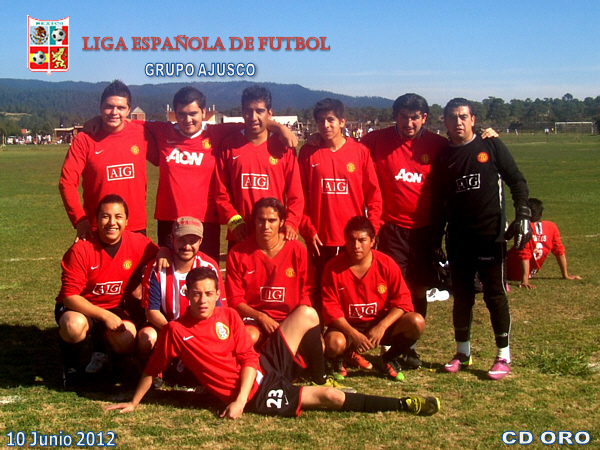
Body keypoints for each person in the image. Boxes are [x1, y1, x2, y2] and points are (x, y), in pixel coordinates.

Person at [106, 267, 440, 418]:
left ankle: (318, 374)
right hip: (257, 393)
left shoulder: (228, 316)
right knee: (332, 398)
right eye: (196, 294)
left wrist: (237, 401)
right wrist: (134, 402)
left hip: (261, 369)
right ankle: (404, 404)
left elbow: (249, 359)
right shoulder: (177, 331)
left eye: (209, 293)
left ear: (217, 293)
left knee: (307, 313)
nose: (203, 300)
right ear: (186, 294)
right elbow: (152, 369)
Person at [430, 98, 531, 381]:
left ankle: (503, 355)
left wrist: (523, 214)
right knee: (462, 297)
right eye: (452, 117)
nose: (458, 122)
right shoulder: (443, 157)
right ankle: (462, 352)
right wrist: (436, 238)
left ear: (473, 120)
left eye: (463, 116)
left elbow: (517, 180)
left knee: (494, 295)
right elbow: (439, 203)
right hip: (459, 239)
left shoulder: (491, 145)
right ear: (445, 121)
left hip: (490, 236)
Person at [142, 86, 298, 261]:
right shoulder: (163, 131)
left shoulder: (216, 133)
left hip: (207, 221)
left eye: (193, 113)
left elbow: (254, 124)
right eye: (182, 114)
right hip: (171, 220)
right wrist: (234, 221)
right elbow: (125, 123)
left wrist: (281, 128)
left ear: (204, 112)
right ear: (174, 114)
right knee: (170, 274)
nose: (187, 119)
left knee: (207, 274)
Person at [360, 93, 448, 370]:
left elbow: (466, 149)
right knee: (391, 288)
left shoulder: (438, 144)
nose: (409, 123)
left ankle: (409, 346)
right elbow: (345, 149)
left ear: (424, 118)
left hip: (425, 229)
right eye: (403, 117)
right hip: (390, 227)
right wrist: (316, 138)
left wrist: (489, 139)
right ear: (395, 116)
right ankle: (389, 344)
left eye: (414, 118)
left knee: (419, 287)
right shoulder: (375, 140)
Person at [55, 194, 159, 388]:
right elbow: (69, 297)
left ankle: (114, 360)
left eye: (118, 217)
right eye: (105, 216)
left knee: (127, 338)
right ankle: (71, 368)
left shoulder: (138, 242)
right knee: (73, 326)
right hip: (81, 308)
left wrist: (166, 252)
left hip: (114, 306)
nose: (112, 222)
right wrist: (104, 316)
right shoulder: (81, 249)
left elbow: (161, 254)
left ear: (127, 220)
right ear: (96, 220)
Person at [298, 98, 383, 315]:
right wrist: (308, 229)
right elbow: (299, 197)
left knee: (350, 294)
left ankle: (348, 336)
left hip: (352, 239)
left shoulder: (360, 152)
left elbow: (374, 196)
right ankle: (319, 335)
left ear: (342, 121)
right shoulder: (308, 152)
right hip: (320, 239)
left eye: (330, 120)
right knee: (318, 295)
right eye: (320, 121)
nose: (325, 125)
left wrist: (371, 230)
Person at [321, 216, 424, 382]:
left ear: (372, 241)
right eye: (351, 240)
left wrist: (382, 326)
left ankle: (389, 358)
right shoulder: (333, 268)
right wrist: (354, 334)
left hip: (379, 324)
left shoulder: (387, 263)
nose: (356, 246)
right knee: (334, 343)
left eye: (362, 240)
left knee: (416, 322)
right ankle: (340, 359)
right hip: (349, 327)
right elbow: (330, 310)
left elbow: (403, 302)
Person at [59, 80, 158, 239]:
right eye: (109, 106)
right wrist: (79, 220)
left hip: (135, 227)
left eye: (120, 108)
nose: (114, 112)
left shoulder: (141, 134)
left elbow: (164, 158)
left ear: (128, 110)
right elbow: (67, 183)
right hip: (97, 226)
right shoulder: (84, 139)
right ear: (100, 108)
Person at [215, 85, 304, 246]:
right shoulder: (229, 145)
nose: (253, 117)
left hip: (274, 236)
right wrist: (234, 222)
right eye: (248, 111)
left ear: (269, 113)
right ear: (242, 112)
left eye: (259, 111)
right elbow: (221, 193)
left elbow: (296, 194)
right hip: (240, 235)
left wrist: (291, 222)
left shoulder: (283, 147)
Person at [226, 197, 313, 347]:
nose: (266, 226)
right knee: (249, 336)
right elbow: (235, 300)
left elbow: (307, 290)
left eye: (272, 220)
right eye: (261, 220)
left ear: (282, 222)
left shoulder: (296, 249)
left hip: (289, 316)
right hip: (255, 317)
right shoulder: (238, 253)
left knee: (322, 345)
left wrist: (296, 318)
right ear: (254, 221)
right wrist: (260, 316)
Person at [139, 216, 225, 357]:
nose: (187, 246)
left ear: (200, 241)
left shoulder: (209, 266)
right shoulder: (157, 268)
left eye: (192, 241)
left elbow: (218, 309)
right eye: (181, 240)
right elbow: (152, 312)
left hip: (200, 326)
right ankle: (147, 366)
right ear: (172, 239)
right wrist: (177, 331)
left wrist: (196, 332)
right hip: (166, 325)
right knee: (146, 337)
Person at [506, 198, 581, 288]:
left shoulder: (524, 229)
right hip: (530, 273)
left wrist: (524, 281)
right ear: (541, 214)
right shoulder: (551, 227)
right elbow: (559, 251)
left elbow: (524, 255)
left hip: (508, 271)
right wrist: (565, 275)